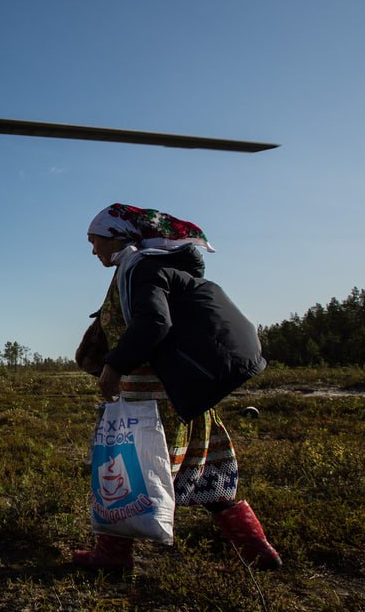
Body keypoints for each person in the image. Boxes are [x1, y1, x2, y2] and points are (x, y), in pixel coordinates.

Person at [73, 203, 281, 571]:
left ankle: (112, 555)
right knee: (201, 467)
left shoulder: (140, 268)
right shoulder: (148, 267)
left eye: (96, 241)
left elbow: (154, 323)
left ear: (118, 237)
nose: (93, 250)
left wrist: (114, 367)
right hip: (179, 392)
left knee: (127, 468)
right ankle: (255, 547)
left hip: (151, 397)